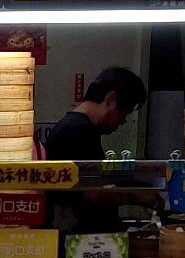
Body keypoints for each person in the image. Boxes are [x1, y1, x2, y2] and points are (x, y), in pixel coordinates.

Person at [44, 66, 163, 233]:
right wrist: (136, 195)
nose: (123, 121)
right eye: (124, 113)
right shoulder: (77, 131)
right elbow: (93, 194)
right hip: (77, 241)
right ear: (110, 99)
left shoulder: (76, 127)